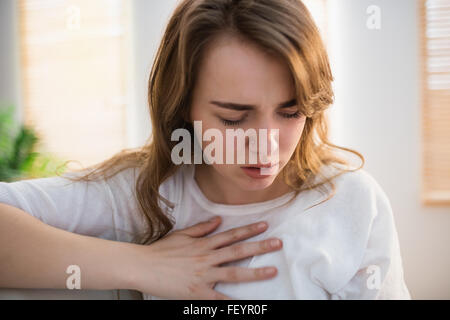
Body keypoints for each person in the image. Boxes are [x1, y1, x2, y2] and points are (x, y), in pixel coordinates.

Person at [0, 0, 411, 300]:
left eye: (291, 112)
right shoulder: (142, 191)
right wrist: (144, 265)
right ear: (182, 107)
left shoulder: (353, 201)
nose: (266, 144)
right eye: (234, 118)